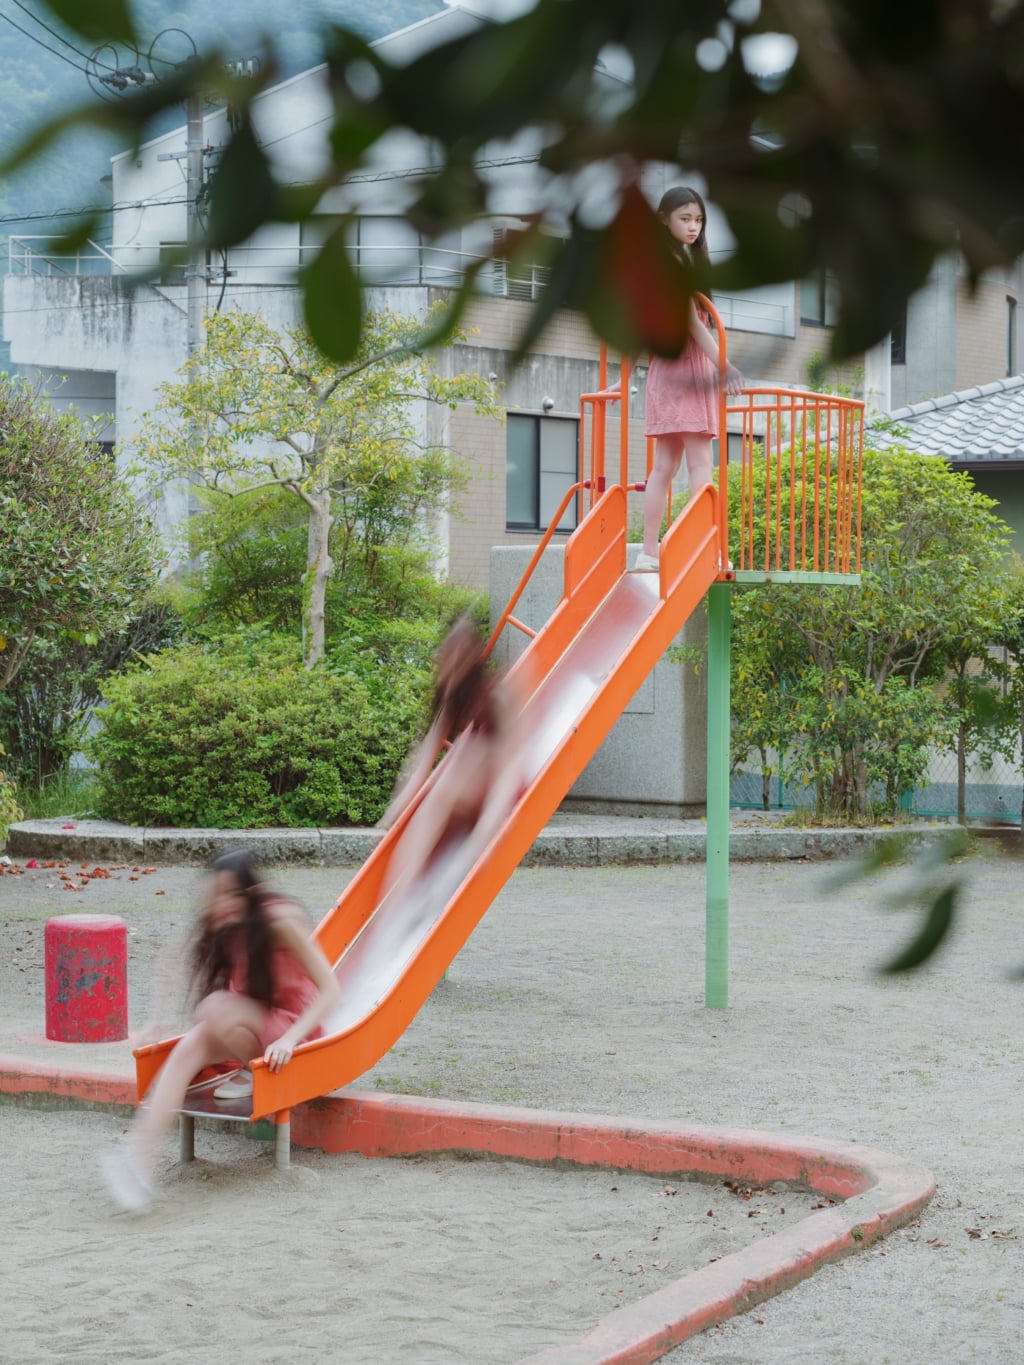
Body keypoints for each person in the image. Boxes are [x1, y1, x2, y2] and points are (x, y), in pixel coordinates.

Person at [101, 849, 340, 1211]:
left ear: (250, 893)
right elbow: (172, 959)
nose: (221, 905)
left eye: (231, 895)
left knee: (213, 1007)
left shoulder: (278, 921)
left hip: (293, 1030)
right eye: (216, 897)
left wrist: (290, 1041)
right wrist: (157, 1019)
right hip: (249, 1023)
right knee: (188, 1049)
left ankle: (248, 1068)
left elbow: (330, 989)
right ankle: (140, 1158)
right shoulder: (221, 925)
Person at [632, 186, 745, 571]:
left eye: (698, 220)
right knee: (699, 463)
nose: (693, 226)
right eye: (685, 218)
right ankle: (702, 545)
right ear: (664, 219)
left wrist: (627, 375)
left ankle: (648, 551)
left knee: (666, 465)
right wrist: (723, 365)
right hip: (686, 371)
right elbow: (692, 324)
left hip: (667, 371)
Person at [378, 615, 527, 909]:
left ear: (472, 660)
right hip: (469, 783)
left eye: (457, 659)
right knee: (435, 799)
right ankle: (396, 899)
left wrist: (488, 826)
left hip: (499, 780)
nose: (449, 668)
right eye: (446, 659)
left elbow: (511, 764)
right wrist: (395, 809)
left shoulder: (494, 696)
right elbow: (425, 755)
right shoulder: (451, 696)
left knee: (464, 761)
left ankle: (452, 875)